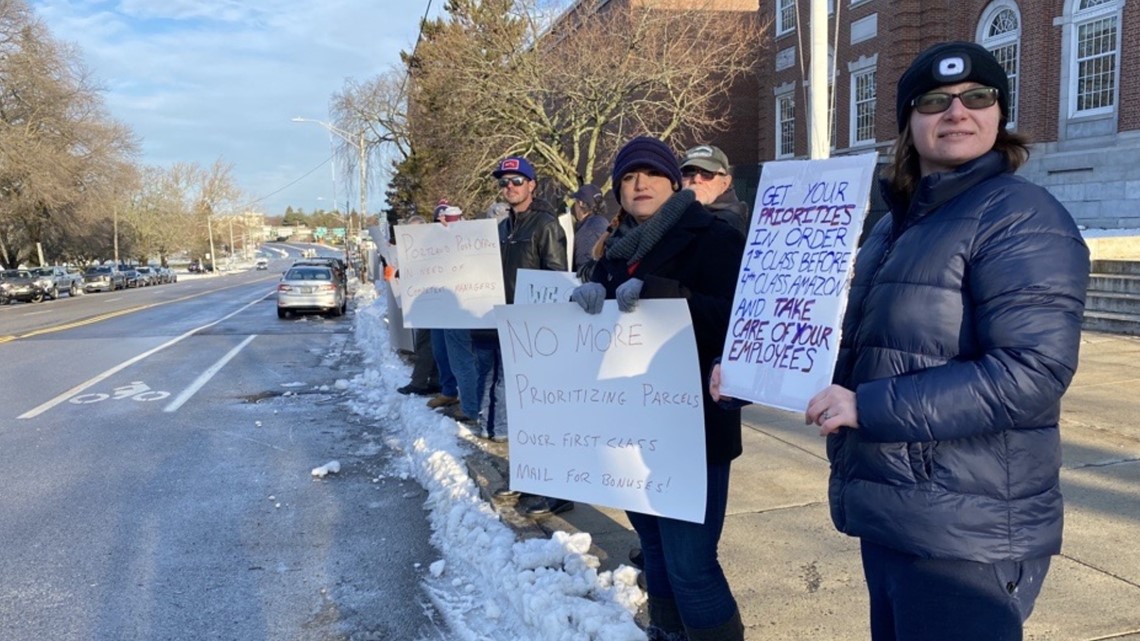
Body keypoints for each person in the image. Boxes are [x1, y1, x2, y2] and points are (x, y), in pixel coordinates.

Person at [738, 42, 1087, 641]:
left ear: (999, 115)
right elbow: (856, 345)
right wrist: (752, 369)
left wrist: (866, 406)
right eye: (934, 101)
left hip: (968, 532)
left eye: (977, 97)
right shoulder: (893, 225)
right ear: (908, 121)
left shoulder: (1021, 216)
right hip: (896, 512)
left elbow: (1031, 373)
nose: (957, 111)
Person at [571, 136, 746, 641]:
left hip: (695, 428)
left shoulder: (715, 236)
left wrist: (666, 297)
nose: (639, 183)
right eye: (627, 177)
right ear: (618, 192)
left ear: (673, 182)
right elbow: (610, 337)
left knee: (691, 562)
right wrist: (592, 299)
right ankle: (668, 632)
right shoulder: (614, 251)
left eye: (650, 173)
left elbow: (741, 324)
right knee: (655, 550)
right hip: (631, 425)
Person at [483, 154, 572, 518]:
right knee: (520, 410)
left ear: (532, 185)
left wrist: (546, 324)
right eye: (504, 182)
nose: (509, 188)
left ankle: (557, 488)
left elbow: (556, 278)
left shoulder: (546, 226)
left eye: (516, 181)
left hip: (538, 331)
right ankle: (529, 475)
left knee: (543, 411)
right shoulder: (504, 228)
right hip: (510, 327)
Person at [678, 144, 749, 237]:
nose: (696, 179)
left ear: (725, 183)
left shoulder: (728, 224)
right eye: (689, 171)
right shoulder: (670, 214)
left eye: (707, 173)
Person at [567, 183, 609, 272]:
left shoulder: (590, 229)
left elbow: (584, 266)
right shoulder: (601, 222)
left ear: (581, 203)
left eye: (575, 202)